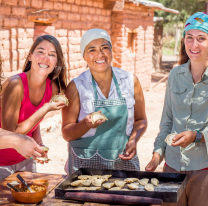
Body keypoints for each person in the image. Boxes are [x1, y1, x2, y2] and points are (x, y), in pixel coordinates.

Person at [62, 29, 147, 175]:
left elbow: (141, 120)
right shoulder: (76, 87)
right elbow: (66, 134)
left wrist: (133, 140)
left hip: (123, 161)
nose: (100, 54)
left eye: (104, 48)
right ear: (84, 56)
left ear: (112, 51)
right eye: (92, 50)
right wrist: (85, 124)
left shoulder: (130, 81)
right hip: (85, 167)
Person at [145, 12, 208, 206]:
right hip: (172, 166)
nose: (194, 44)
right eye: (189, 37)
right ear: (183, 40)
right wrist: (157, 154)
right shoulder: (175, 75)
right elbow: (167, 121)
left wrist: (197, 136)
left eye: (201, 38)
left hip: (203, 169)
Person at [0, 35, 67, 181]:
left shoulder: (52, 87)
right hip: (2, 164)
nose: (45, 58)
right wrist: (46, 108)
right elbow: (11, 133)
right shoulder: (15, 84)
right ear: (30, 56)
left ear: (56, 63)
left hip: (25, 160)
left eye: (51, 55)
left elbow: (31, 117)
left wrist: (38, 142)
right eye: (40, 52)